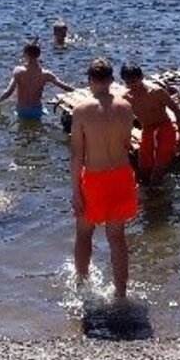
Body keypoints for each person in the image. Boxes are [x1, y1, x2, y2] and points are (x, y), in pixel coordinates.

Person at [70, 58, 140, 300]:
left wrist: (75, 191)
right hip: (121, 175)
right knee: (117, 238)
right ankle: (121, 293)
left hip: (95, 177)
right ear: (111, 80)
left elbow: (77, 155)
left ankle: (81, 285)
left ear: (89, 81)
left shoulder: (81, 111)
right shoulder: (126, 107)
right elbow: (126, 144)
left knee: (84, 233)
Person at [122, 64, 180, 184]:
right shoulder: (126, 98)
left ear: (142, 78)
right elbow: (124, 120)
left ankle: (160, 198)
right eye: (128, 82)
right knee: (143, 171)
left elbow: (177, 112)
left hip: (165, 128)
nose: (132, 85)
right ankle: (150, 199)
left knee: (158, 171)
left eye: (134, 81)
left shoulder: (157, 92)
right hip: (147, 130)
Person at [0, 40, 73, 119]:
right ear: (39, 55)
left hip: (22, 111)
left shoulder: (18, 71)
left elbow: (9, 92)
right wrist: (78, 91)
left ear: (25, 54)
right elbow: (63, 86)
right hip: (37, 111)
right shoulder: (46, 74)